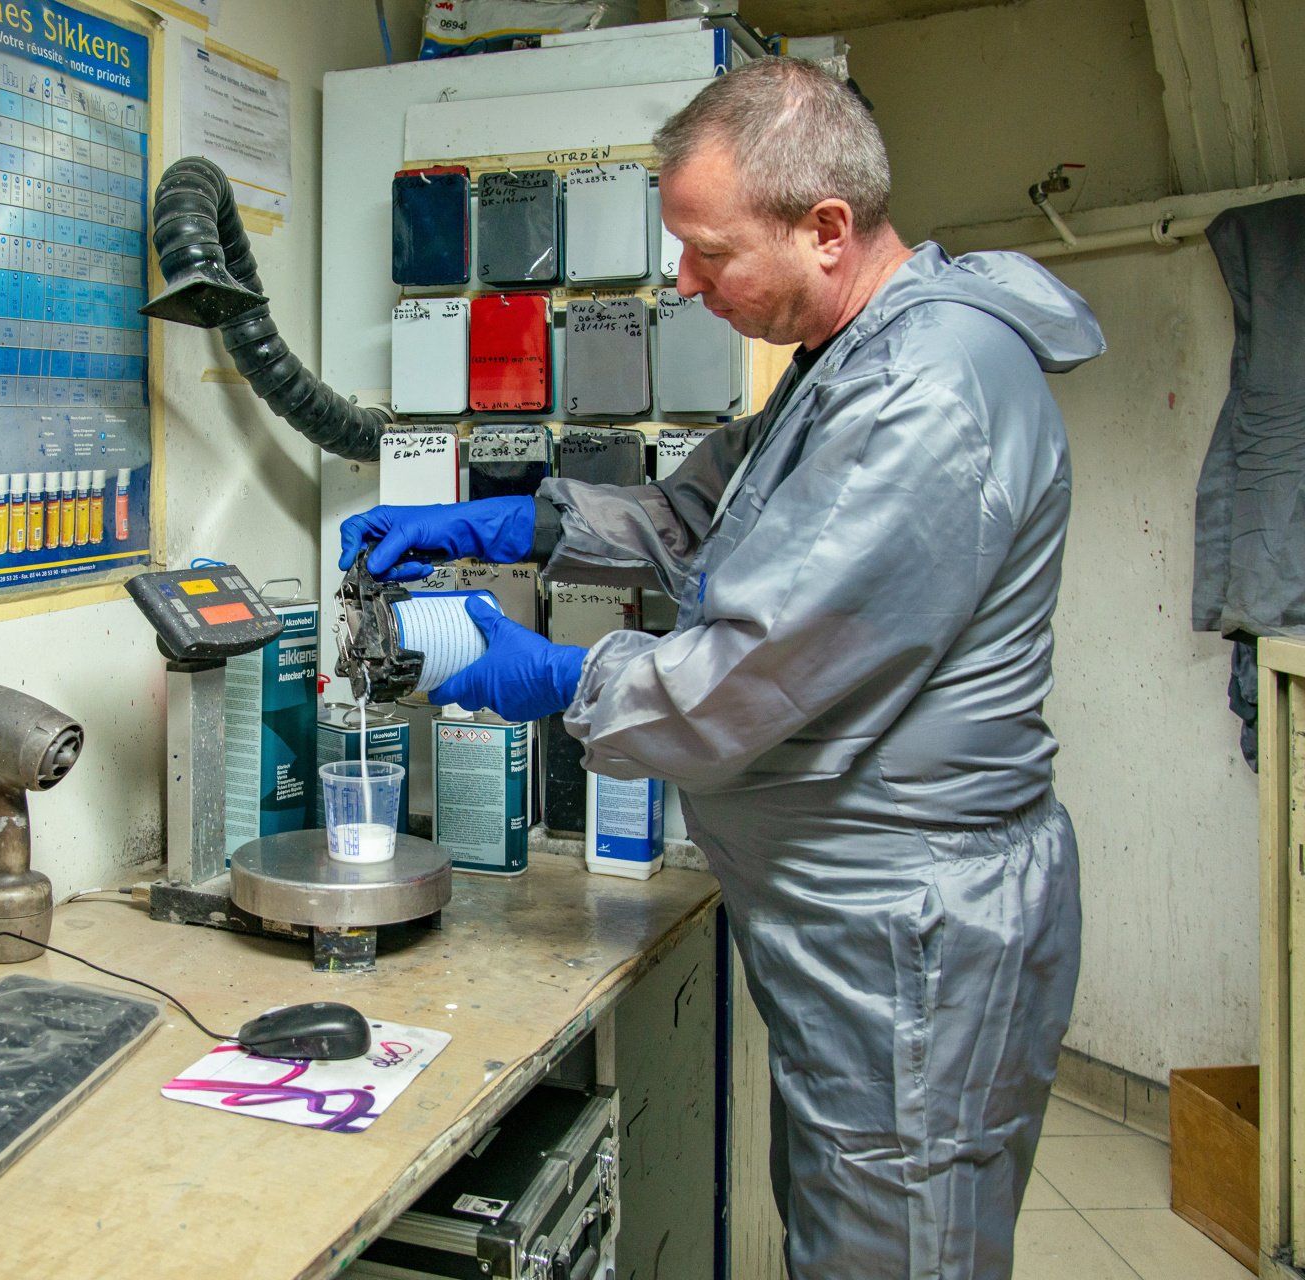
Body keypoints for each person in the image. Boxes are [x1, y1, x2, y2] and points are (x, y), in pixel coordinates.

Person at [340, 57, 1103, 1279]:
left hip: (911, 933)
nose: (685, 282)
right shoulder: (847, 363)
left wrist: (558, 677)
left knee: (896, 1254)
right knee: (848, 1231)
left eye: (709, 252)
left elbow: (746, 676)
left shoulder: (927, 392)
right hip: (854, 921)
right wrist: (512, 520)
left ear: (827, 229)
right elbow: (708, 515)